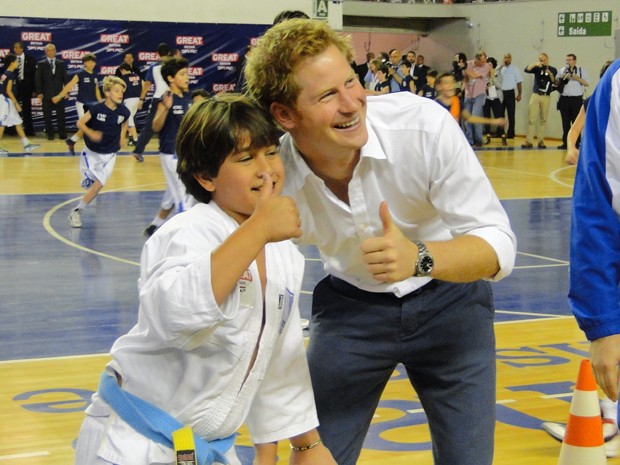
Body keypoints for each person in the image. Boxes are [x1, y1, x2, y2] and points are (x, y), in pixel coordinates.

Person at [245, 19, 516, 465]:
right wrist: (290, 441)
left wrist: (419, 258)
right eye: (327, 95)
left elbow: (498, 245)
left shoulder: (422, 127)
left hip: (452, 303)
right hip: (351, 313)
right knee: (318, 453)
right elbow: (260, 310)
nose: (353, 104)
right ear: (284, 115)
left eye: (352, 81)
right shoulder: (277, 179)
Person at [73, 92, 336, 465]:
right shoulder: (187, 233)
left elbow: (278, 355)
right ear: (205, 177)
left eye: (271, 152)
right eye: (245, 158)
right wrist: (258, 230)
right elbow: (175, 317)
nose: (266, 169)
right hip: (133, 444)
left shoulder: (282, 254)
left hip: (210, 448)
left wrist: (304, 444)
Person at [68, 76, 129, 228]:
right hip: (91, 153)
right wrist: (90, 133)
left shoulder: (124, 111)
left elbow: (125, 122)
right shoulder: (96, 109)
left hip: (110, 155)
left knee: (98, 186)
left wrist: (122, 137)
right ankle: (87, 177)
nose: (120, 94)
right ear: (107, 93)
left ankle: (76, 211)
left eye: (122, 91)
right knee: (89, 184)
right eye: (116, 91)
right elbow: (80, 122)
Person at [143, 57, 193, 236]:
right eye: (182, 74)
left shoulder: (187, 97)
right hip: (170, 153)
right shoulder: (165, 98)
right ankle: (186, 235)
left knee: (171, 194)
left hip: (184, 152)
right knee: (183, 195)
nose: (186, 77)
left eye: (187, 73)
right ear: (171, 78)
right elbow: (155, 126)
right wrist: (165, 108)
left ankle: (155, 225)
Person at [54, 53, 102, 155]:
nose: (91, 63)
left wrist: (101, 102)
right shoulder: (80, 74)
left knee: (90, 127)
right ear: (84, 63)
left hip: (93, 104)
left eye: (93, 61)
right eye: (89, 61)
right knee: (86, 126)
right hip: (82, 103)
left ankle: (72, 141)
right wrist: (59, 96)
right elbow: (69, 86)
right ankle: (90, 148)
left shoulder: (95, 74)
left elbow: (96, 89)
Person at [131, 42, 171, 162]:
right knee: (173, 125)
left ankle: (138, 151)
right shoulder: (173, 65)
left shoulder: (153, 67)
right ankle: (168, 150)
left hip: (158, 98)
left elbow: (147, 85)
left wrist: (141, 99)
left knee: (149, 126)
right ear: (168, 53)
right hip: (170, 98)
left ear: (157, 54)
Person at [435, 71, 505, 129]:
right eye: (446, 83)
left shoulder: (457, 102)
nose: (450, 85)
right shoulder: (434, 105)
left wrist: (494, 121)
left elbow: (470, 118)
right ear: (438, 87)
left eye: (453, 82)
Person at [0, 55, 40, 155]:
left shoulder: (5, 73)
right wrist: (16, 103)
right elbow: (8, 91)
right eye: (17, 61)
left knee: (17, 121)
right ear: (12, 63)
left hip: (6, 100)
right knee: (2, 124)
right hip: (6, 101)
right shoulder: (10, 75)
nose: (18, 63)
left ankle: (26, 144)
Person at [35, 43, 70, 140]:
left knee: (61, 115)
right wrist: (39, 93)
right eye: (48, 50)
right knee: (47, 116)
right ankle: (50, 134)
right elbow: (38, 80)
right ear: (45, 52)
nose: (50, 52)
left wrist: (66, 91)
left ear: (55, 51)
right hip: (46, 94)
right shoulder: (41, 64)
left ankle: (62, 133)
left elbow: (65, 79)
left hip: (59, 94)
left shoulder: (61, 63)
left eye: (52, 50)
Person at [522, 53, 557, 149]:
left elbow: (554, 81)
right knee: (532, 118)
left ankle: (541, 141)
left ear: (548, 59)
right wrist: (536, 64)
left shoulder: (553, 69)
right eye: (541, 60)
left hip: (546, 96)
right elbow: (527, 69)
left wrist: (549, 73)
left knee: (543, 119)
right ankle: (529, 140)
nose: (543, 61)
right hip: (536, 95)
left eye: (544, 59)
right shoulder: (537, 68)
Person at [556, 53, 589, 150]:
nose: (568, 62)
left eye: (570, 60)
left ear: (575, 61)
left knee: (576, 121)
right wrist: (561, 78)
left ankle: (577, 143)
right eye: (567, 60)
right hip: (564, 99)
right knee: (565, 122)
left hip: (576, 99)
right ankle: (566, 143)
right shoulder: (562, 70)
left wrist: (577, 78)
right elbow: (556, 83)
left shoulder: (581, 70)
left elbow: (587, 83)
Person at [463, 51, 490, 147]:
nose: (483, 63)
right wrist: (467, 72)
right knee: (467, 118)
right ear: (477, 59)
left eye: (484, 61)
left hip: (479, 94)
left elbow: (473, 75)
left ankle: (479, 140)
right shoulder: (469, 64)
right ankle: (469, 140)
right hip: (468, 94)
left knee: (475, 116)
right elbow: (466, 77)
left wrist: (469, 72)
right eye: (482, 61)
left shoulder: (487, 66)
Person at [12, 41, 37, 136]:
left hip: (27, 88)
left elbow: (34, 75)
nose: (15, 49)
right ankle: (12, 130)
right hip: (14, 88)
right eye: (14, 48)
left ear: (22, 48)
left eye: (17, 47)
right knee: (13, 109)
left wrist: (35, 90)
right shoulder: (11, 59)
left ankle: (29, 130)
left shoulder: (30, 59)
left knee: (27, 109)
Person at [497, 52, 523, 141]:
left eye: (508, 57)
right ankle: (500, 132)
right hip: (501, 92)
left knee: (511, 114)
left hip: (510, 93)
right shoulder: (500, 69)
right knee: (500, 113)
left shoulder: (515, 69)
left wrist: (519, 94)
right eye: (505, 57)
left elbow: (519, 82)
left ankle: (511, 133)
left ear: (511, 59)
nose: (506, 59)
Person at [118, 62, 143, 146]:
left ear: (123, 70)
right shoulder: (137, 76)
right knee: (128, 120)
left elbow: (122, 90)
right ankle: (130, 138)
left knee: (129, 120)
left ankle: (136, 139)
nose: (121, 73)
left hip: (129, 100)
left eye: (121, 71)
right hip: (137, 99)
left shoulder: (123, 78)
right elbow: (143, 85)